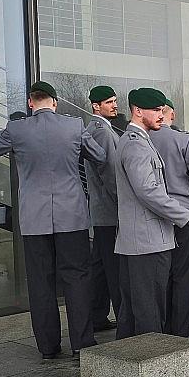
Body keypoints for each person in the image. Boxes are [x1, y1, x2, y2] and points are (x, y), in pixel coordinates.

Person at [0, 82, 105, 359]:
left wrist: (14, 141)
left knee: (40, 282)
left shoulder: (18, 129)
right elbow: (100, 155)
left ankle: (48, 347)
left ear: (30, 103)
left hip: (34, 219)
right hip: (71, 216)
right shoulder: (73, 126)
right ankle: (81, 342)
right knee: (78, 278)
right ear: (55, 102)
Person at [114, 88, 189, 339]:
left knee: (133, 313)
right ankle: (150, 374)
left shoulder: (138, 140)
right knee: (149, 313)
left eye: (162, 110)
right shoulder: (136, 145)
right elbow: (148, 191)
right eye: (156, 110)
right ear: (138, 111)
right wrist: (183, 215)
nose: (162, 115)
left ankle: (126, 373)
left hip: (140, 240)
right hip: (148, 242)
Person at [149, 98, 189, 334]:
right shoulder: (182, 139)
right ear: (169, 114)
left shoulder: (141, 139)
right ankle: (180, 331)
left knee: (158, 276)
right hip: (184, 213)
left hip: (154, 215)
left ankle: (159, 327)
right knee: (183, 276)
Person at [84, 85, 123, 333]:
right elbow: (110, 174)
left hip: (101, 210)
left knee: (100, 267)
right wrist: (124, 205)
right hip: (110, 210)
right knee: (114, 269)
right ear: (96, 106)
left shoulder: (96, 130)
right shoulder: (103, 133)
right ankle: (123, 316)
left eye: (115, 101)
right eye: (109, 102)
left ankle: (97, 315)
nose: (115, 106)